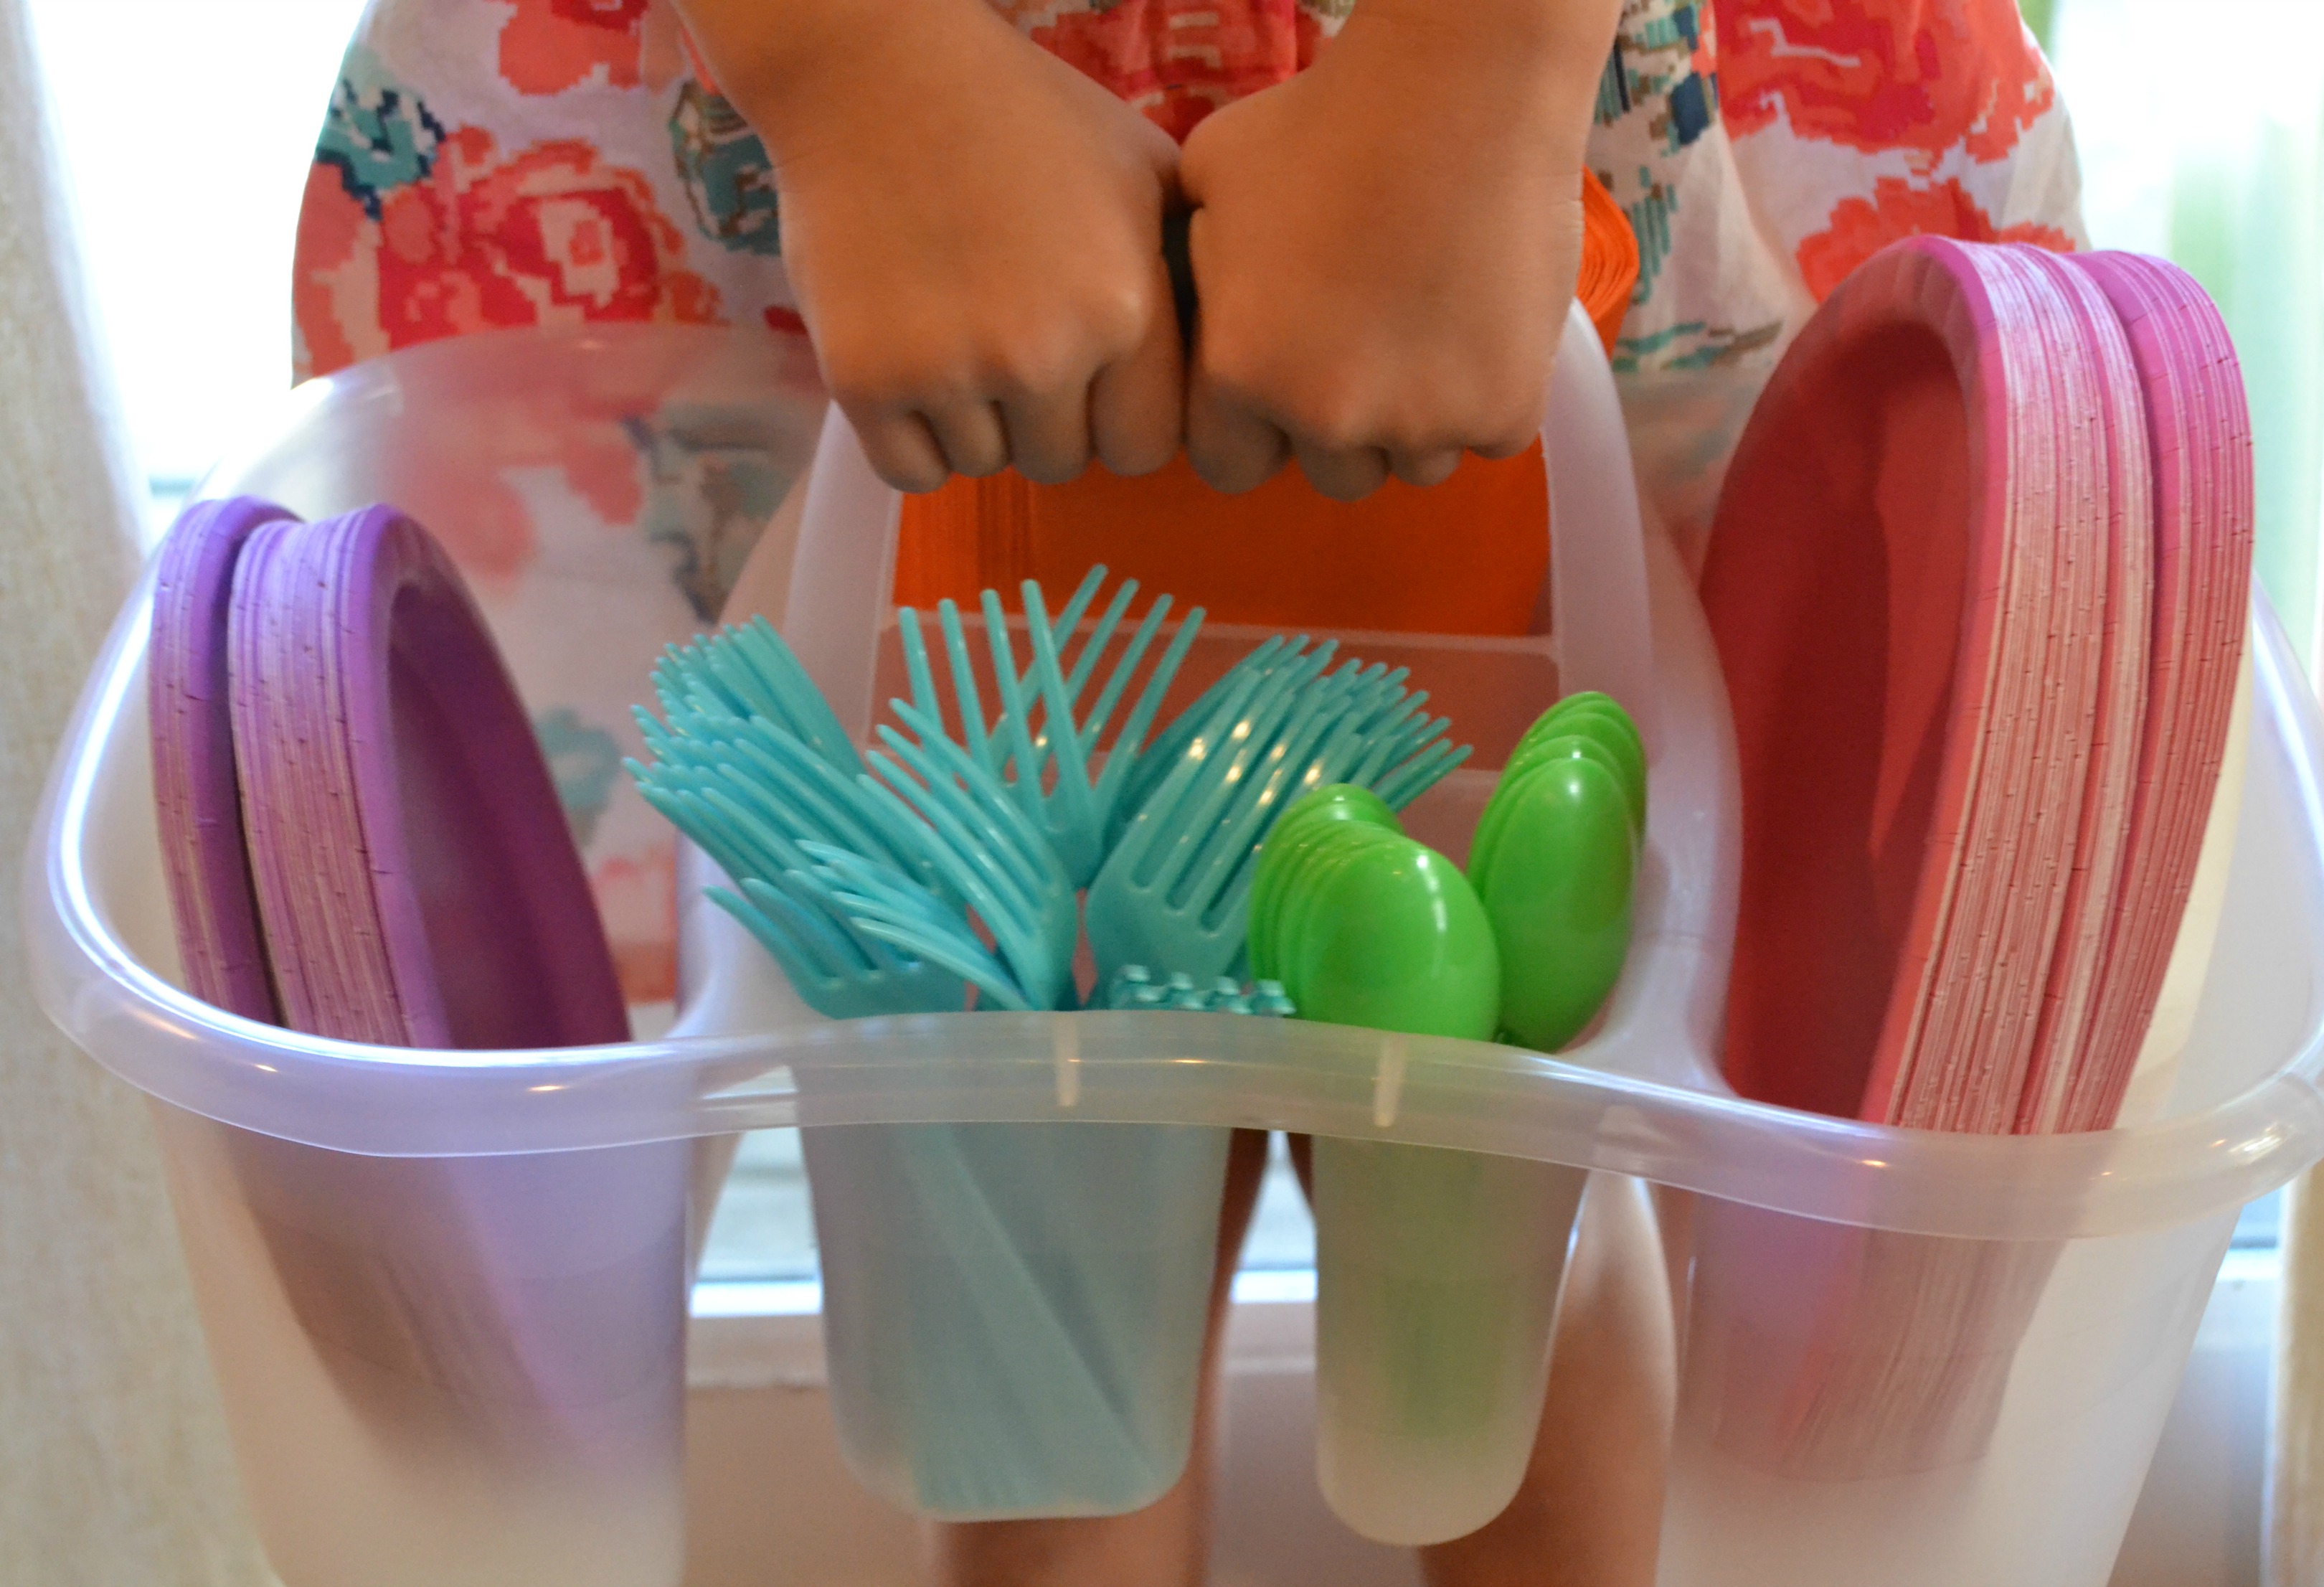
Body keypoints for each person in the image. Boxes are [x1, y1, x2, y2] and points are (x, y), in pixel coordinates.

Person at [290, 2, 2083, 1581]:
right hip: (872, 208)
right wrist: (850, 66)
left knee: (1499, 1175)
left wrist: (1495, 62)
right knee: (1047, 1229)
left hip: (1513, 152)